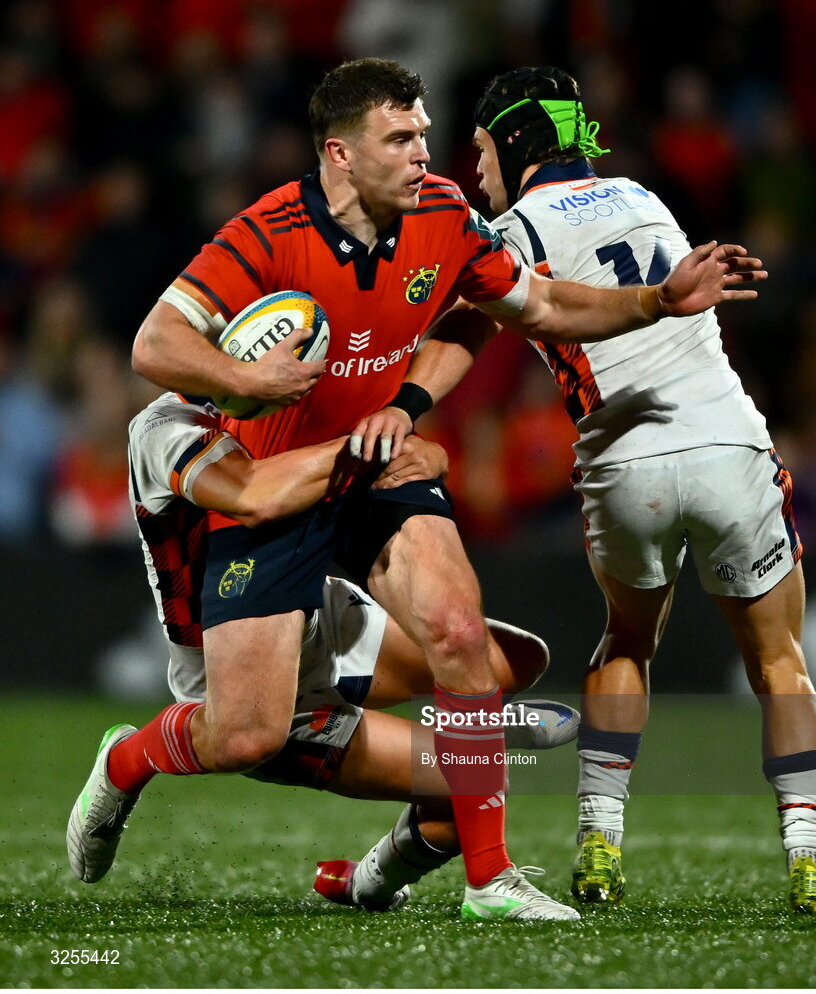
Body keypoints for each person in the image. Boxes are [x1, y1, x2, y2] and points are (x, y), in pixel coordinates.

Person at [126, 57, 763, 921]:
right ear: (341, 155)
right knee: (246, 733)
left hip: (381, 468)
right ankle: (126, 764)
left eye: (425, 129)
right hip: (276, 478)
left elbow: (539, 307)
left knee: (464, 632)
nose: (426, 149)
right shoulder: (268, 232)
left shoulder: (446, 215)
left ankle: (491, 878)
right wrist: (257, 381)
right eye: (402, 136)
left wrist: (657, 299)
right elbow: (155, 348)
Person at [397, 66, 816, 915]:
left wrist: (404, 406)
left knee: (624, 644)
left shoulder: (507, 230)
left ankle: (601, 846)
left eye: (482, 145)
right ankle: (808, 858)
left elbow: (470, 328)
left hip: (623, 460)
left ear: (516, 140)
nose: (477, 164)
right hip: (726, 440)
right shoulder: (646, 197)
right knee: (778, 659)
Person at [68, 390, 580, 914]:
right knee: (467, 773)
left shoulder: (298, 403)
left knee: (504, 678)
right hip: (235, 667)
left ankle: (370, 878)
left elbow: (383, 450)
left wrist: (427, 453)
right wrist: (374, 446)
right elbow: (256, 494)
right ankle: (125, 760)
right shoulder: (162, 428)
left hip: (324, 618)